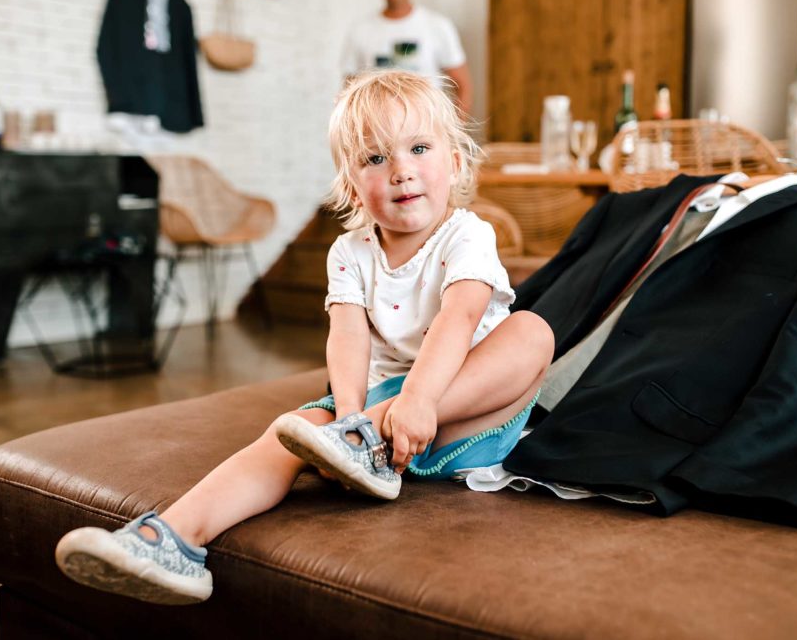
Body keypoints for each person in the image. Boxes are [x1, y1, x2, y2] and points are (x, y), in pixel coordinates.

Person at [54, 70, 554, 605]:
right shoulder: (350, 252)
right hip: (377, 429)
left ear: (454, 163)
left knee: (532, 332)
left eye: (419, 148)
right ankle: (175, 541)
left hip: (464, 418)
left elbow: (459, 317)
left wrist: (419, 402)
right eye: (375, 159)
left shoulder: (468, 234)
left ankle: (370, 436)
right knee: (289, 430)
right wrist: (347, 419)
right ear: (352, 187)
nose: (402, 171)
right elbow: (346, 336)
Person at [341, 0, 473, 114]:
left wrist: (450, 135)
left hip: (426, 130)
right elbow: (349, 94)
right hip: (377, 132)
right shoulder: (360, 31)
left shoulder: (438, 26)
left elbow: (463, 87)